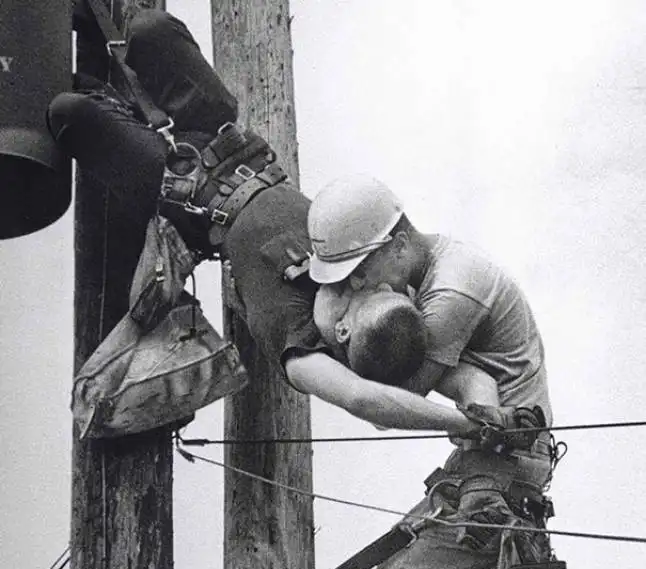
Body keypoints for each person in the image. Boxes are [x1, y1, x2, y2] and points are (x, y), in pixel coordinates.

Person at [231, 176, 569, 569]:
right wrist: (337, 295)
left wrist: (320, 327)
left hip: (496, 482)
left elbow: (386, 395)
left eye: (359, 272)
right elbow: (466, 383)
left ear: (395, 241)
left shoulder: (451, 291)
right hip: (483, 475)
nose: (356, 286)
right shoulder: (426, 274)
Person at [48, 5, 502, 440]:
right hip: (228, 141)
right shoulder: (379, 307)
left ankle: (80, 75)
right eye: (383, 288)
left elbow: (366, 401)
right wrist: (487, 418)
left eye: (365, 297)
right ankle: (109, 76)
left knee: (69, 111)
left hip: (182, 189)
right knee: (148, 29)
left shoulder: (302, 344)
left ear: (343, 332)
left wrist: (453, 427)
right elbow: (470, 377)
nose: (366, 283)